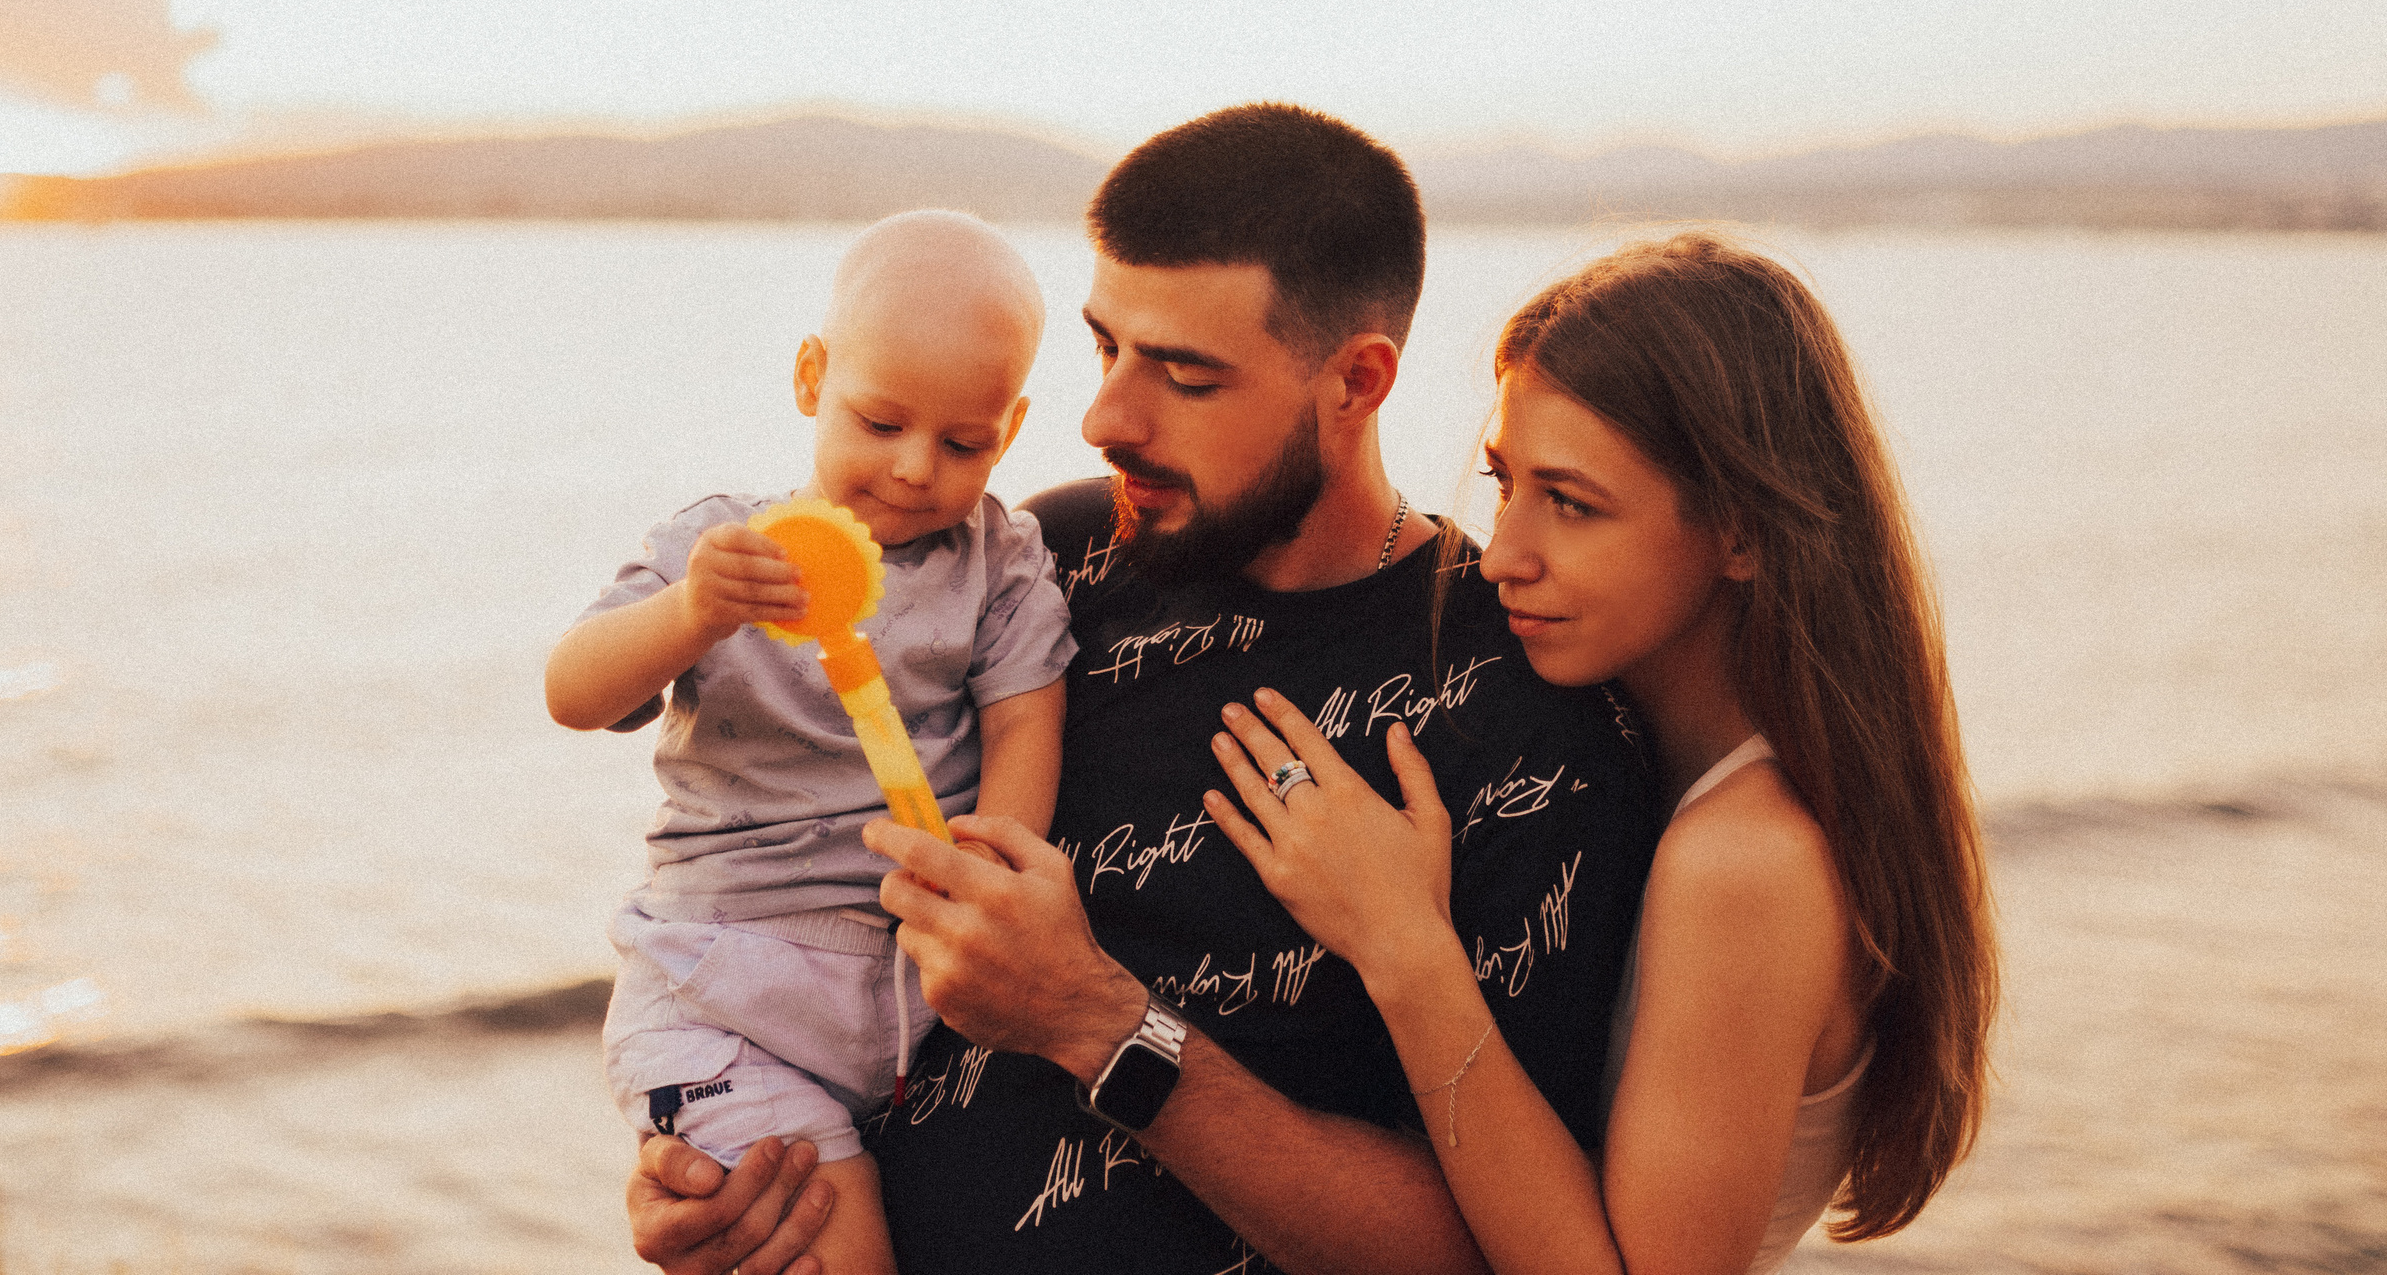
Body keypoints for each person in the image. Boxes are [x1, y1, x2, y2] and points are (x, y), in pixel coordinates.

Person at [627, 105, 1657, 1275]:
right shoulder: (1040, 560)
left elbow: (1486, 1251)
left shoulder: (1523, 722)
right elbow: (781, 872)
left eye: (1182, 374)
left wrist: (1096, 1022)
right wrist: (718, 1145)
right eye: (1107, 346)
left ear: (1357, 381)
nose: (1105, 416)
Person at [1204, 232, 1998, 1275]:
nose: (1507, 556)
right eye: (1504, 484)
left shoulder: (1748, 858)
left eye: (1571, 504)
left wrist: (1402, 945)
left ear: (1743, 535)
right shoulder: (1629, 772)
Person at [548, 210, 1078, 1275]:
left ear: (1010, 429)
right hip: (723, 988)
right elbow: (574, 691)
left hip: (903, 986)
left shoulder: (1000, 561)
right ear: (810, 378)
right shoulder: (721, 551)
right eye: (879, 422)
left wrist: (985, 874)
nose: (915, 470)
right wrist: (693, 615)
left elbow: (1028, 710)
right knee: (835, 1241)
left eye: (963, 442)